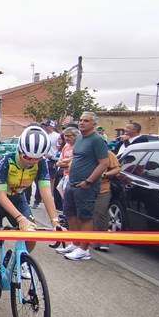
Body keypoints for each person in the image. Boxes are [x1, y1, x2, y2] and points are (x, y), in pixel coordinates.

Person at [0, 126, 60, 317]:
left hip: (18, 198)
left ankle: (19, 262)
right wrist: (20, 219)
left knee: (31, 237)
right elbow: (1, 195)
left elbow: (46, 192)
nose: (30, 161)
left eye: (35, 159)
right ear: (19, 149)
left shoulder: (42, 164)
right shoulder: (5, 161)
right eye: (26, 157)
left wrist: (55, 220)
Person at [58, 112, 110, 262]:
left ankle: (84, 249)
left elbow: (104, 163)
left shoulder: (98, 141)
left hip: (86, 185)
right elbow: (77, 158)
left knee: (85, 217)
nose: (81, 123)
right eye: (80, 120)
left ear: (94, 124)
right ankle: (75, 244)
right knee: (70, 213)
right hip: (71, 182)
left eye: (86, 121)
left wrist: (88, 181)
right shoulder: (80, 138)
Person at [92, 150, 121, 252]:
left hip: (103, 189)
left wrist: (105, 174)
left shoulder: (108, 154)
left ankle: (103, 242)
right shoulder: (83, 152)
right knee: (87, 214)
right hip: (85, 188)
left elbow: (117, 169)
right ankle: (91, 241)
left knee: (100, 212)